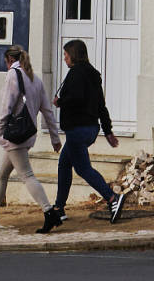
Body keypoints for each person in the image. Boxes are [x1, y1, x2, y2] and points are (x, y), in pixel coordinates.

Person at [0, 44, 65, 234]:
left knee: (27, 175)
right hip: (26, 134)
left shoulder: (12, 76)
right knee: (2, 175)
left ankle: (50, 214)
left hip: (14, 135)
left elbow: (6, 107)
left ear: (9, 60)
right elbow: (47, 111)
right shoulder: (36, 79)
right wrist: (55, 138)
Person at [51, 38, 126, 225]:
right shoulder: (93, 75)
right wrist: (108, 131)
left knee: (83, 168)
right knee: (64, 164)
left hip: (77, 129)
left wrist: (60, 102)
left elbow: (75, 98)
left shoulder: (76, 74)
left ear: (73, 55)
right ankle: (58, 208)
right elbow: (101, 106)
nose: (64, 59)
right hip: (91, 128)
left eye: (66, 55)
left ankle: (112, 198)